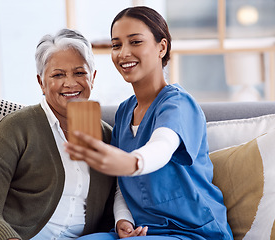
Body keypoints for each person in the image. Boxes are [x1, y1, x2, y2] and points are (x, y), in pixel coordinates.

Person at [64, 6, 233, 240]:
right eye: (116, 45)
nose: (123, 53)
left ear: (161, 47)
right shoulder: (124, 112)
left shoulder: (178, 103)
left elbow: (161, 147)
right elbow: (123, 186)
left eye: (135, 42)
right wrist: (123, 219)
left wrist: (131, 162)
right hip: (142, 231)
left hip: (192, 232)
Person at [0, 29, 115, 240]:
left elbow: (112, 207)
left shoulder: (107, 137)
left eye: (79, 73)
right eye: (58, 75)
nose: (70, 83)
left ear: (92, 77)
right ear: (41, 82)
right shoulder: (17, 127)